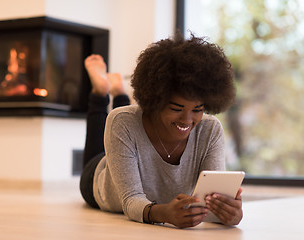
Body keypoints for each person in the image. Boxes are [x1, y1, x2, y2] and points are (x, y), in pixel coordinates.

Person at [79, 32, 242, 229]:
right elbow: (131, 200)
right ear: (155, 100)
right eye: (176, 109)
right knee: (114, 127)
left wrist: (230, 214)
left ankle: (119, 92)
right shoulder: (122, 122)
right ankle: (100, 92)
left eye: (197, 110)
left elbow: (212, 199)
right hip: (99, 182)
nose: (187, 120)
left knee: (124, 117)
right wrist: (163, 213)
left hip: (128, 143)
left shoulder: (210, 130)